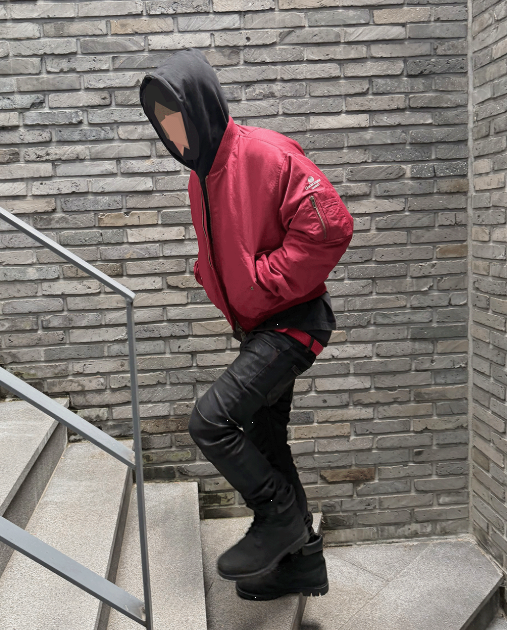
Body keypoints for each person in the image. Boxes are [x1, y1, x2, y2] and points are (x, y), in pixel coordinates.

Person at [140, 48, 353, 601]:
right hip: (262, 327)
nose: (172, 134)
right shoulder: (200, 177)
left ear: (203, 108)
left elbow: (330, 227)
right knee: (267, 441)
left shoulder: (266, 152)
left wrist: (262, 280)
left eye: (177, 118)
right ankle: (302, 563)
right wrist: (211, 274)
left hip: (294, 321)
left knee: (211, 422)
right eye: (162, 124)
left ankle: (277, 518)